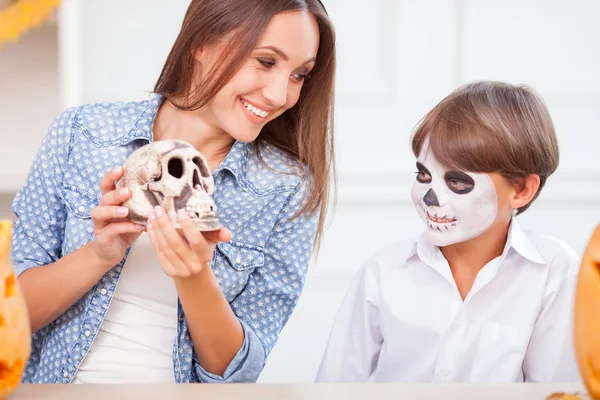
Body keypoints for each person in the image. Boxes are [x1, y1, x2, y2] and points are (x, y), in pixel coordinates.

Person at [11, 0, 335, 384]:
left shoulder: (287, 188)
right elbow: (14, 317)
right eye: (266, 62)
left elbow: (237, 375)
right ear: (201, 43)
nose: (281, 95)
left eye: (299, 75)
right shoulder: (84, 133)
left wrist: (195, 275)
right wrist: (100, 254)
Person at [315, 81, 581, 383]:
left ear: (521, 189)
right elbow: (334, 385)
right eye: (423, 175)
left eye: (456, 182)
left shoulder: (554, 273)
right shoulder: (384, 271)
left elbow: (556, 390)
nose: (430, 197)